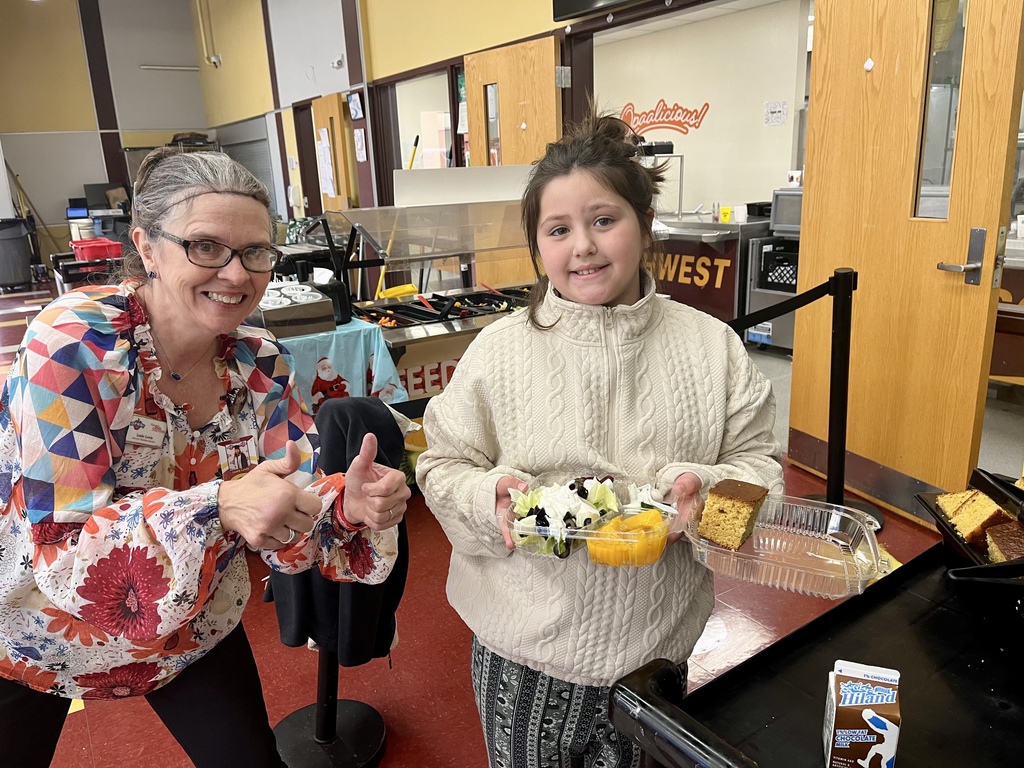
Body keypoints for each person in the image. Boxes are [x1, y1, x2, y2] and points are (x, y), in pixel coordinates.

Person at [0, 148, 410, 768]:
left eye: (255, 252)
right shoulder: (74, 341)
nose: (237, 273)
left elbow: (286, 509)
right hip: (36, 626)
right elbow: (64, 543)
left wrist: (345, 507)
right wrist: (217, 503)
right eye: (205, 246)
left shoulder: (258, 360)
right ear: (147, 246)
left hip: (190, 624)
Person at [415, 114, 783, 768]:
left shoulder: (711, 347)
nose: (581, 245)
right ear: (538, 246)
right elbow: (443, 464)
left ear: (643, 223)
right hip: (524, 657)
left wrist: (711, 505)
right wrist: (489, 499)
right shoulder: (499, 351)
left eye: (603, 220)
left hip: (657, 653)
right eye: (558, 230)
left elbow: (760, 466)